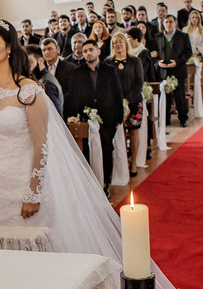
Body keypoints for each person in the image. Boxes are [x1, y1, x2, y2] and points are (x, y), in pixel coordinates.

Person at [0, 19, 203, 289]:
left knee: (36, 258)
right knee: (3, 259)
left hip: (23, 188)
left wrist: (33, 191)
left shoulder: (29, 91)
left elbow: (42, 145)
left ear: (9, 47)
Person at [63, 39, 124, 187]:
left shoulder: (110, 71)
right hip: (85, 117)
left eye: (90, 50)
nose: (88, 53)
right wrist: (71, 115)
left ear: (98, 51)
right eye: (85, 51)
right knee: (88, 150)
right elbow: (72, 96)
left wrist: (118, 119)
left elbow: (117, 94)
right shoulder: (77, 72)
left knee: (107, 148)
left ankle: (106, 182)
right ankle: (91, 184)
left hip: (107, 118)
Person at [108, 30, 144, 177]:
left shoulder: (135, 61)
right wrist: (118, 100)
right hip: (115, 103)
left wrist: (127, 99)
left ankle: (133, 162)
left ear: (126, 44)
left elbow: (139, 82)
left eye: (120, 42)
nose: (118, 45)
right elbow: (107, 84)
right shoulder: (108, 62)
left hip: (133, 101)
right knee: (119, 133)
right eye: (115, 42)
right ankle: (121, 163)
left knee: (134, 131)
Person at [157, 15, 191, 127]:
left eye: (171, 22)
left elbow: (188, 52)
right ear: (163, 24)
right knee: (165, 97)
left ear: (175, 23)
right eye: (166, 22)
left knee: (179, 97)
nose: (168, 24)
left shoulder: (183, 36)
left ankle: (183, 118)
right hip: (163, 71)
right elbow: (153, 53)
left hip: (178, 70)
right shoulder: (157, 37)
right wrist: (157, 62)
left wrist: (177, 62)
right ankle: (165, 119)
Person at [25, 43, 63, 116]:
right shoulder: (42, 79)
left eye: (30, 62)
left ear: (41, 61)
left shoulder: (47, 83)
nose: (27, 68)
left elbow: (56, 116)